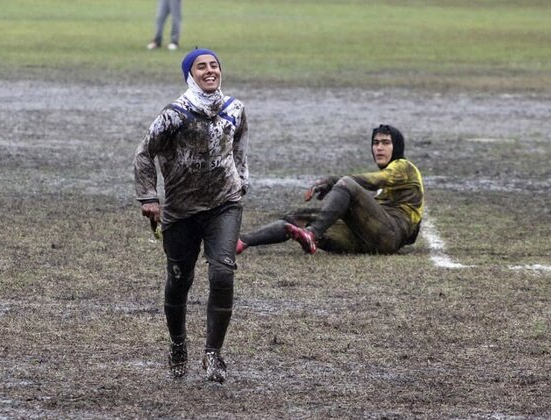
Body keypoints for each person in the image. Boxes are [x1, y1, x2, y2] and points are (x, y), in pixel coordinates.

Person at [133, 48, 249, 383]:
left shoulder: (235, 109)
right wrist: (149, 197)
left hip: (223, 205)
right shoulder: (174, 114)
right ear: (190, 74)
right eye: (202, 67)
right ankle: (178, 344)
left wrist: (242, 180)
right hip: (181, 210)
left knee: (223, 274)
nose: (210, 71)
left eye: (215, 65)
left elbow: (240, 145)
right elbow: (144, 153)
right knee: (180, 279)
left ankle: (213, 354)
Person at [237, 124, 423, 256]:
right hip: (367, 238)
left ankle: (312, 233)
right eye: (375, 143)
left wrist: (334, 181)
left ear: (396, 146)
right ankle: (242, 241)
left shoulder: (404, 166)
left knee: (347, 184)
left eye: (385, 143)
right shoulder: (389, 182)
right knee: (296, 220)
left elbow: (372, 181)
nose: (379, 148)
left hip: (389, 235)